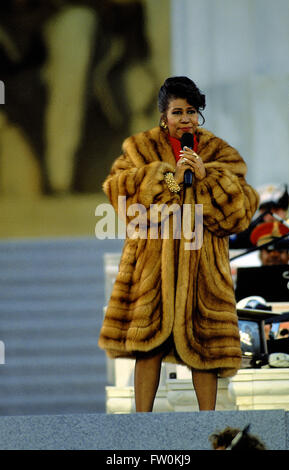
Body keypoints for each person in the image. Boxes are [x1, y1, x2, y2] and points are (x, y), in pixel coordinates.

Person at [98, 76, 259, 412]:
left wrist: (206, 179)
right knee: (148, 347)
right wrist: (169, 179)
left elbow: (241, 211)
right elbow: (119, 193)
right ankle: (142, 428)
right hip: (151, 266)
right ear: (163, 115)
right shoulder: (139, 149)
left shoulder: (218, 152)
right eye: (178, 112)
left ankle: (210, 427)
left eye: (192, 111)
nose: (186, 119)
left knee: (205, 349)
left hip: (203, 269)